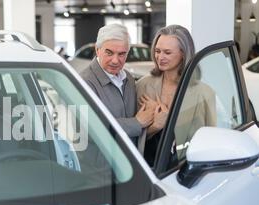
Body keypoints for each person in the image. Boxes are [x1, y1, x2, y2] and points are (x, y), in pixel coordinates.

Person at [136, 25, 216, 165]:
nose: (160, 57)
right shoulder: (143, 86)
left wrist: (169, 120)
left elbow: (210, 140)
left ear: (183, 54)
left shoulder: (204, 93)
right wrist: (155, 126)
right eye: (157, 51)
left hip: (186, 171)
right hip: (148, 169)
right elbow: (132, 137)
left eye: (167, 52)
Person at [80, 24, 154, 144]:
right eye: (109, 53)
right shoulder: (84, 82)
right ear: (97, 50)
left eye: (121, 54)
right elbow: (89, 129)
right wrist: (137, 123)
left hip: (128, 159)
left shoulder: (128, 79)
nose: (115, 60)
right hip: (103, 161)